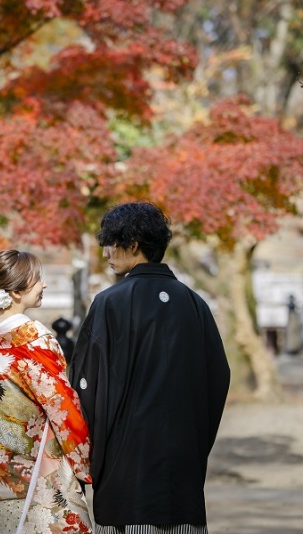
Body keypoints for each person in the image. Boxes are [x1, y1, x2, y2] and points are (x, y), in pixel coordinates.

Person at [68, 202, 231, 534]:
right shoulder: (195, 304)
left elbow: (85, 385)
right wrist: (195, 442)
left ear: (133, 245)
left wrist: (94, 459)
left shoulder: (109, 303)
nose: (106, 252)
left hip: (126, 468)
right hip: (184, 468)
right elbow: (218, 378)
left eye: (111, 243)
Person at [0, 249, 93, 533]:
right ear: (16, 292)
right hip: (38, 481)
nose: (44, 284)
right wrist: (86, 464)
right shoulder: (34, 341)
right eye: (38, 279)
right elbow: (62, 408)